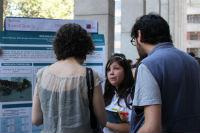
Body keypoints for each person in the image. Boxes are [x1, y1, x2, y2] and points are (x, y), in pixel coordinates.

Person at [130, 13, 200, 133]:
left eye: (134, 40)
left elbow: (151, 128)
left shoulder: (148, 65)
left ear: (139, 35)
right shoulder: (193, 62)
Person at [32, 23, 106, 133]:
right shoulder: (90, 76)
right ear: (85, 47)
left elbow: (36, 119)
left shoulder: (42, 74)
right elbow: (102, 121)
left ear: (58, 46)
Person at [103, 53, 134, 133]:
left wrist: (104, 123)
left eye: (116, 68)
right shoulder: (109, 94)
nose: (111, 73)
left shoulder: (132, 95)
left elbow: (132, 128)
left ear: (126, 71)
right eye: (108, 70)